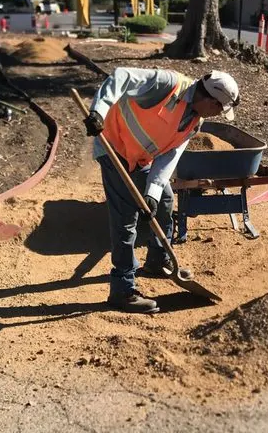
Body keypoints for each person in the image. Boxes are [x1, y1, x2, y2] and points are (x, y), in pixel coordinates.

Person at [85, 67, 240, 314]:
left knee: (166, 199)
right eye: (219, 109)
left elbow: (170, 155)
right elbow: (122, 75)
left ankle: (157, 261)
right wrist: (98, 112)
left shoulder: (194, 122)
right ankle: (122, 290)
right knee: (126, 218)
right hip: (113, 146)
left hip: (140, 158)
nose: (218, 114)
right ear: (209, 100)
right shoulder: (167, 85)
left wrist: (152, 193)